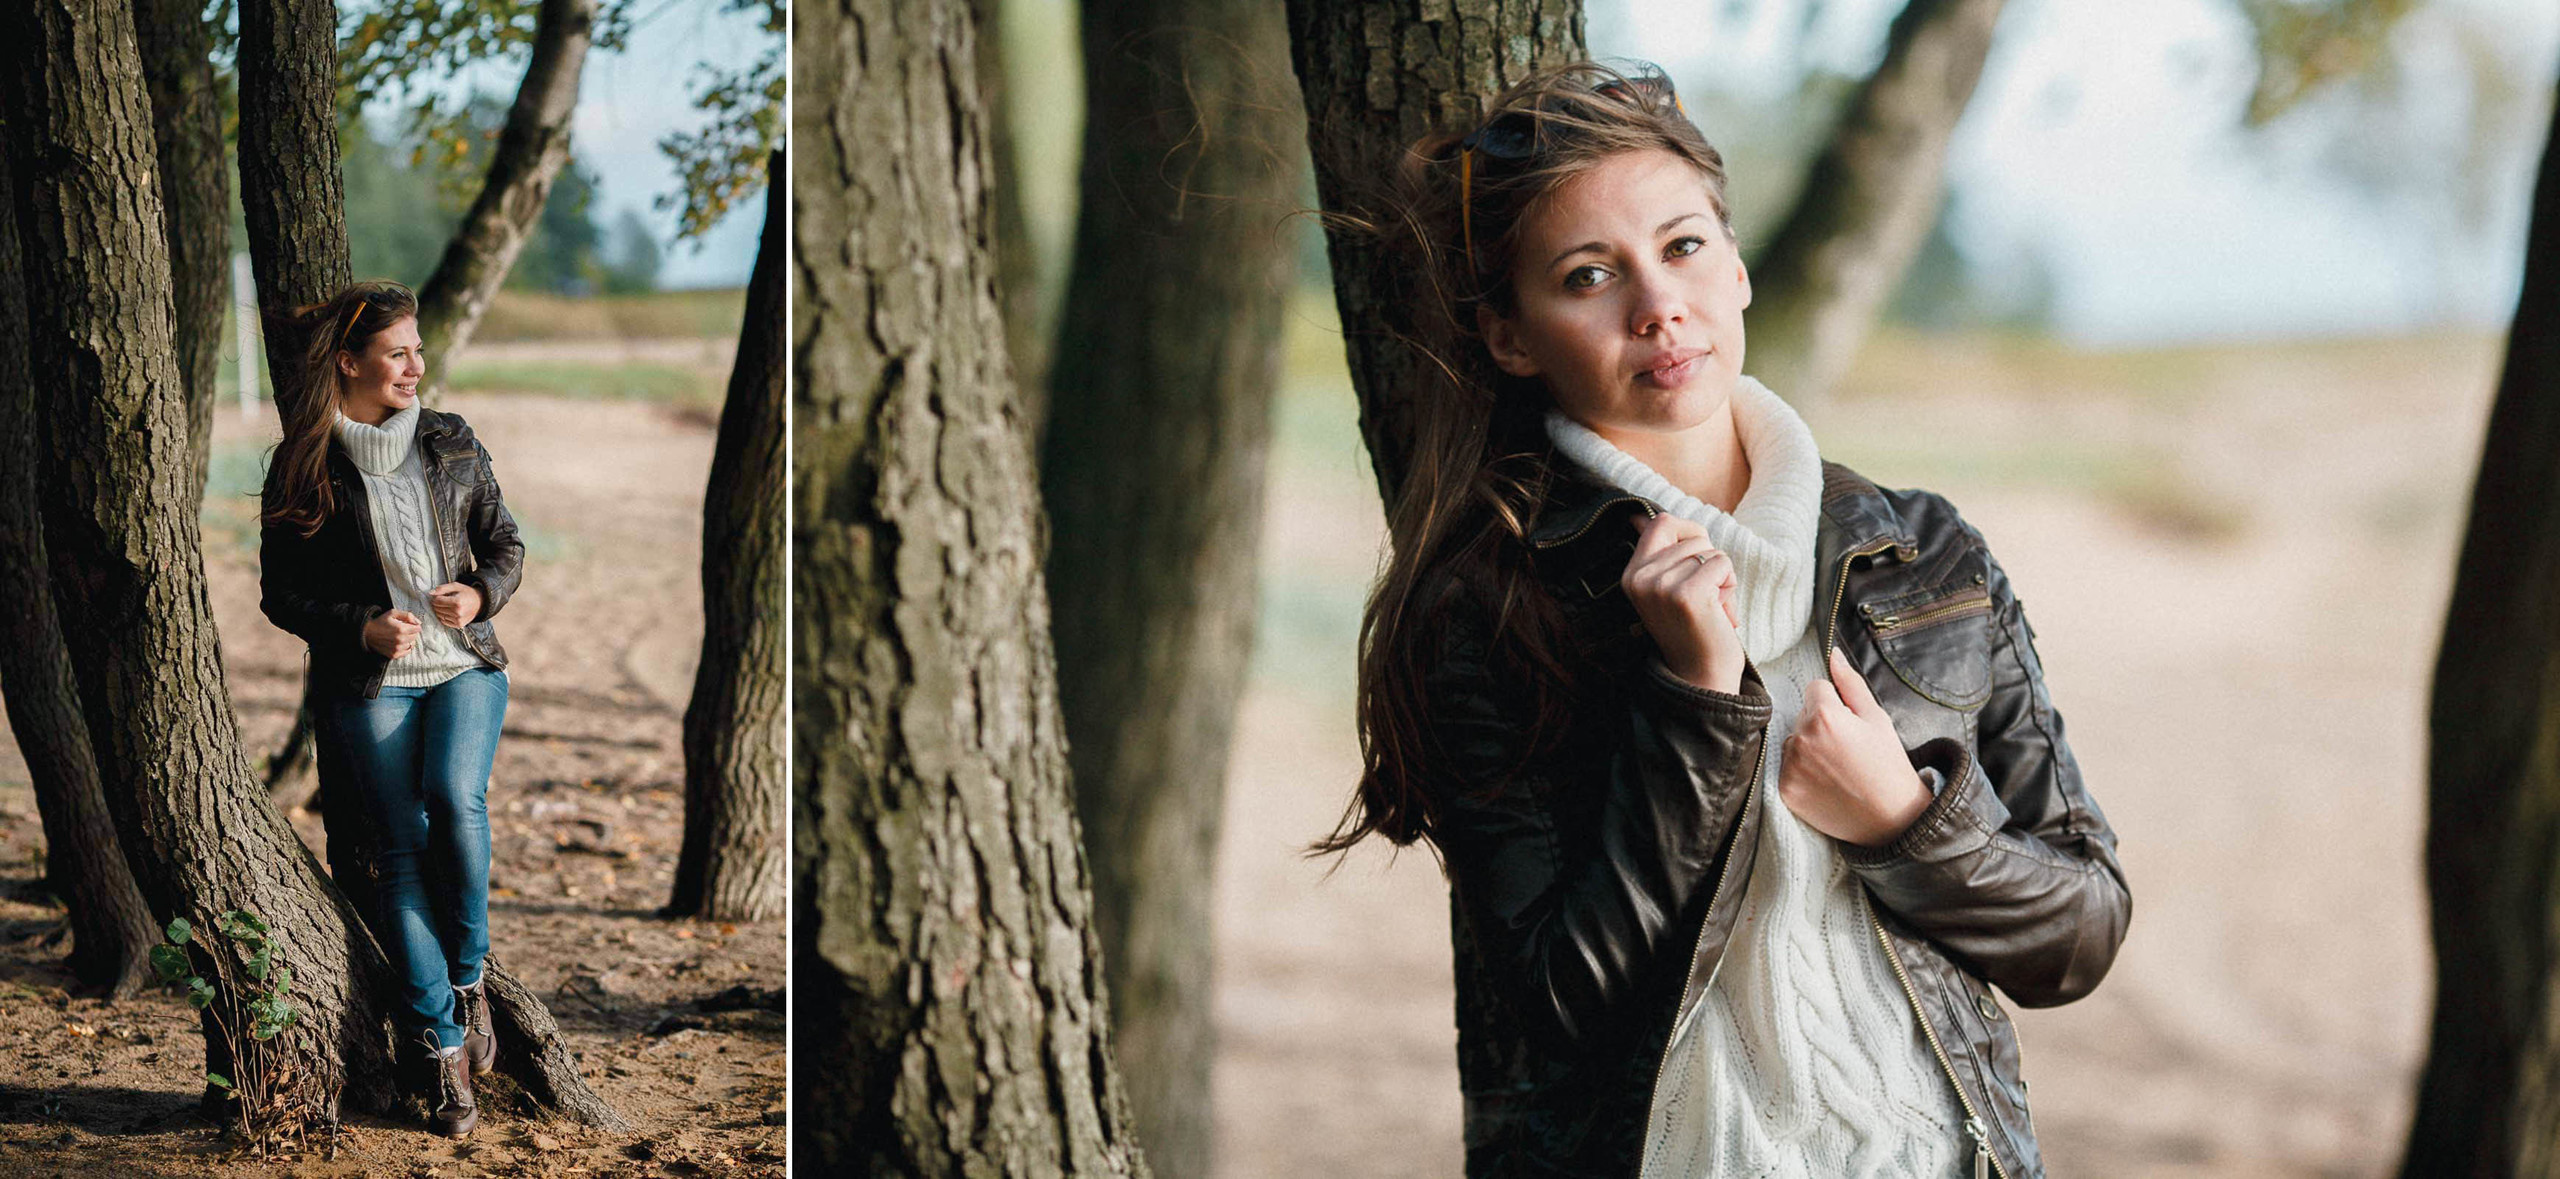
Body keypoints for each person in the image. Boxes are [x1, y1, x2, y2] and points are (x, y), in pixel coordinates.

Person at [1310, 63, 2130, 1178]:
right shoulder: (1493, 610)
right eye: (1589, 275)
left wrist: (1903, 819)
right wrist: (1693, 704)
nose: (1658, 306)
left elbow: (2079, 934)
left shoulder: (1927, 555)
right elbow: (1560, 1005)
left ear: (1736, 266)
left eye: (1683, 246)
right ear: (1511, 336)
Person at [257, 280, 526, 1138]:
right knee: (398, 850)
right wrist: (362, 626)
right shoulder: (303, 464)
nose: (416, 366)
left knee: (454, 797)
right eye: (397, 352)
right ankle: (441, 1049)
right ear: (349, 363)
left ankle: (469, 976)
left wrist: (479, 595)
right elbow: (280, 593)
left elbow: (505, 543)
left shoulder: (450, 439)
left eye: (418, 350)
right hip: (371, 681)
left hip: (465, 666)